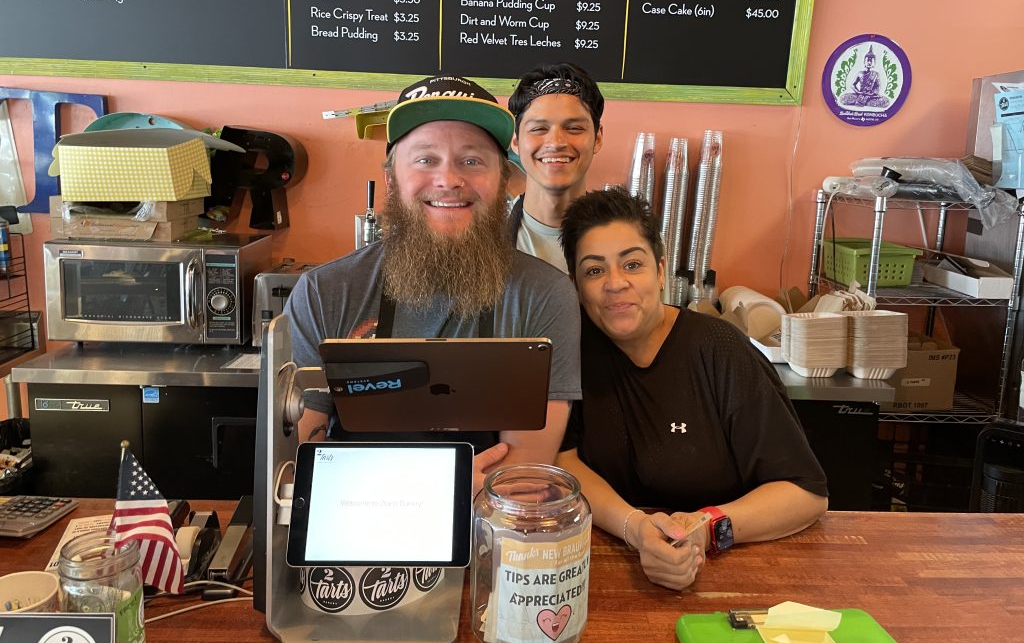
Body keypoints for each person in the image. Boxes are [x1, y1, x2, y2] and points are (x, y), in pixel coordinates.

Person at [284, 75, 582, 495]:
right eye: (425, 160)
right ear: (391, 178)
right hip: (357, 526)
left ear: (502, 182)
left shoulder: (544, 295)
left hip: (487, 534)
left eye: (472, 161)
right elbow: (304, 462)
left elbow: (523, 473)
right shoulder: (325, 293)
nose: (448, 180)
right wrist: (441, 490)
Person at [555, 188, 828, 591]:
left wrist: (705, 528)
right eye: (594, 271)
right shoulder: (574, 350)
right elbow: (564, 460)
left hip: (729, 574)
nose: (615, 284)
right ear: (576, 285)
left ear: (661, 270)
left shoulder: (720, 350)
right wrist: (635, 527)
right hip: (604, 573)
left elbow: (806, 494)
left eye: (632, 264)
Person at [506, 63, 604, 272]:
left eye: (574, 128)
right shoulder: (482, 239)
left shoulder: (635, 242)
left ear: (598, 138)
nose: (556, 142)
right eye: (539, 129)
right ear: (516, 141)